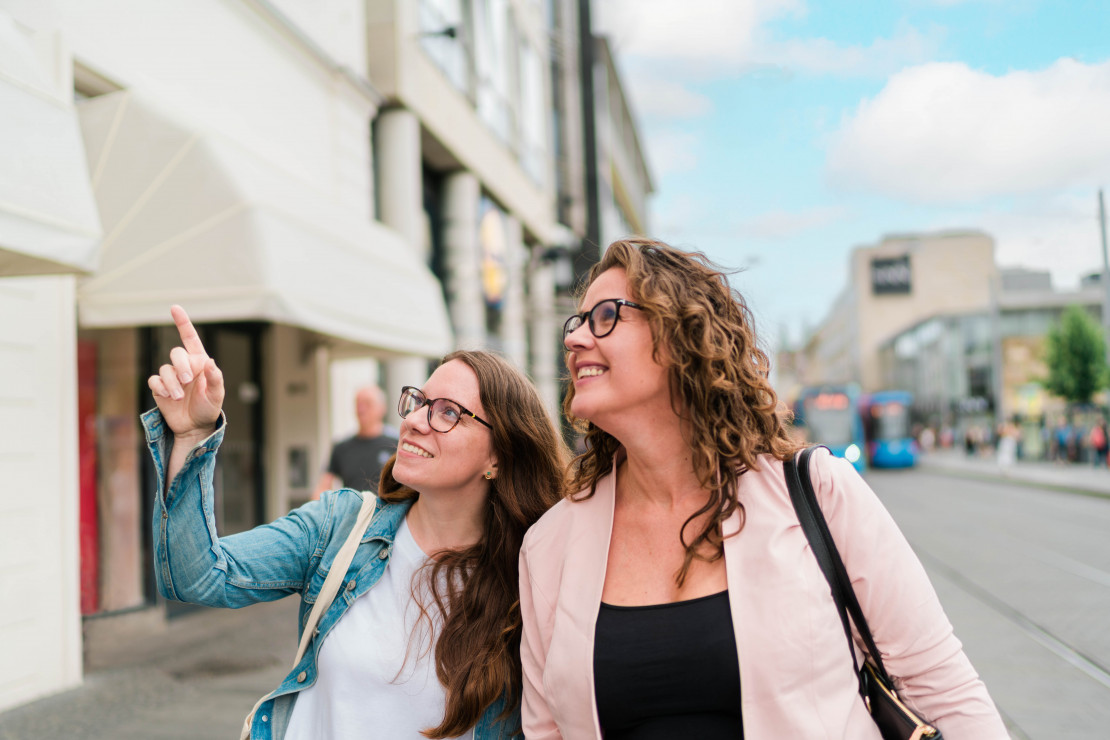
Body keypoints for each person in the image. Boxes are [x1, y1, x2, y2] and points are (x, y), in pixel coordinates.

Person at [518, 240, 1008, 739]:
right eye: (575, 322)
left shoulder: (816, 490)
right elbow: (546, 732)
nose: (576, 339)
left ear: (679, 335)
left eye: (605, 316)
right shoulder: (549, 545)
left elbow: (942, 687)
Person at [146, 305, 565, 739]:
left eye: (447, 412)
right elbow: (196, 577)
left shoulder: (531, 584)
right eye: (419, 402)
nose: (415, 421)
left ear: (498, 455)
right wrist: (193, 438)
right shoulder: (340, 527)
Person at [313, 384, 397, 498]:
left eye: (367, 404)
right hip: (352, 513)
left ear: (382, 408)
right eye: (358, 404)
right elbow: (323, 487)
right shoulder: (341, 448)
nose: (361, 409)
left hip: (388, 512)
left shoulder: (395, 445)